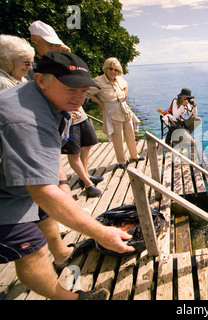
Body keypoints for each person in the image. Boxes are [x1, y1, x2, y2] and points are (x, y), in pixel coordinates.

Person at [0, 51, 135, 300]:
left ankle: (62, 256)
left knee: (47, 214)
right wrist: (101, 233)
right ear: (41, 80)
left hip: (18, 178)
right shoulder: (25, 119)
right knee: (31, 250)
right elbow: (42, 191)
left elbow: (50, 152)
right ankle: (71, 298)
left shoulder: (53, 102)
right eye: (72, 89)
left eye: (84, 91)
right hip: (5, 196)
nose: (80, 98)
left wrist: (62, 183)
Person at [29, 20, 103, 197]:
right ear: (35, 40)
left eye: (56, 44)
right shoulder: (33, 66)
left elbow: (78, 80)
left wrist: (68, 58)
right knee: (73, 150)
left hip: (78, 115)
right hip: (59, 118)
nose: (54, 48)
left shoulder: (58, 60)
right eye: (49, 44)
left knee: (87, 144)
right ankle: (86, 183)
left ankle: (84, 174)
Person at [86, 57, 143, 169]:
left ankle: (134, 155)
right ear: (106, 68)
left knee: (130, 134)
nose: (113, 72)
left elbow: (126, 85)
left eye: (116, 70)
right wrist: (99, 102)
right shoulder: (98, 81)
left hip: (124, 110)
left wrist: (125, 95)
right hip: (112, 112)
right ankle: (121, 160)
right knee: (118, 138)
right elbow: (87, 92)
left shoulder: (119, 79)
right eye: (111, 69)